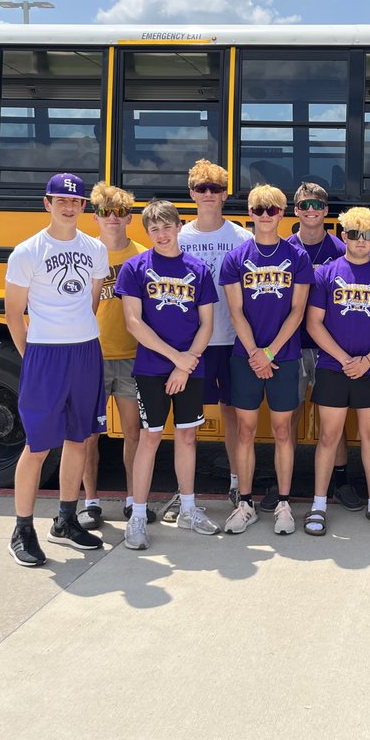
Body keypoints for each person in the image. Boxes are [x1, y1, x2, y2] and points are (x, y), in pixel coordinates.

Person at [3, 173, 108, 567]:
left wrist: (76, 335)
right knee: (37, 446)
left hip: (84, 350)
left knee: (79, 438)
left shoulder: (95, 249)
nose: (68, 206)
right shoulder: (27, 252)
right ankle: (22, 528)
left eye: (76, 201)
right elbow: (14, 314)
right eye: (60, 200)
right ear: (46, 203)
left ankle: (65, 518)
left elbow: (92, 301)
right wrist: (31, 354)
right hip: (44, 354)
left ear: (84, 206)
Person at [116, 200, 219, 550]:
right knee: (151, 437)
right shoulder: (134, 268)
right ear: (146, 232)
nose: (161, 234)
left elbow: (207, 323)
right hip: (152, 368)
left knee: (188, 438)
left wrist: (186, 361)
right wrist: (176, 359)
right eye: (154, 228)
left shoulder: (198, 269)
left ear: (179, 227)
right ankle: (139, 516)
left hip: (190, 367)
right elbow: (133, 322)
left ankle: (188, 509)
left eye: (167, 226)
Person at [220, 184, 314, 535]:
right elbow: (235, 311)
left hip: (284, 357)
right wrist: (256, 354)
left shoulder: (298, 257)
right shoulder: (236, 258)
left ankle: (284, 504)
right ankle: (245, 503)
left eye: (271, 210)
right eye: (258, 210)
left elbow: (297, 311)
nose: (264, 216)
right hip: (245, 357)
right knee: (244, 430)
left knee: (281, 431)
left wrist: (270, 352)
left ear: (281, 213)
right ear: (250, 214)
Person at [304, 207, 370, 535]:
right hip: (334, 367)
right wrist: (346, 358)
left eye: (368, 235)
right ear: (343, 235)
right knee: (329, 436)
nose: (361, 241)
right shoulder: (326, 273)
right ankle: (318, 504)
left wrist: (368, 360)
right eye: (354, 234)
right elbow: (314, 324)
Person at [177, 160, 252, 511]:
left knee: (234, 415)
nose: (209, 194)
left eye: (215, 188)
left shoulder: (241, 237)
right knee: (186, 419)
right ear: (192, 194)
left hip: (233, 340)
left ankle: (237, 483)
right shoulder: (178, 238)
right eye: (202, 188)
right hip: (192, 344)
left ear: (225, 194)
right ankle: (185, 491)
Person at [285, 182, 361, 512]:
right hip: (293, 344)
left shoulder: (340, 250)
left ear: (326, 211)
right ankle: (282, 483)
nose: (311, 210)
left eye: (317, 205)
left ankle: (340, 481)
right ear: (296, 210)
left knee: (335, 421)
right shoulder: (285, 248)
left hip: (331, 347)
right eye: (304, 205)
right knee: (287, 415)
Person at [77, 183, 147, 530]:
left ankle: (134, 499)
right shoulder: (85, 254)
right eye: (106, 212)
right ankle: (90, 501)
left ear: (129, 218)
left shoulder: (142, 255)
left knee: (133, 431)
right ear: (96, 217)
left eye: (119, 213)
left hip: (134, 356)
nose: (113, 219)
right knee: (90, 433)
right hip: (93, 354)